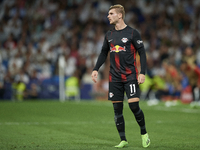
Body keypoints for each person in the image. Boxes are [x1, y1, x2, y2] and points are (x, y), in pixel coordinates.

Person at [91, 4, 150, 148]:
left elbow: (142, 53)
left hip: (130, 76)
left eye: (111, 13)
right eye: (108, 14)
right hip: (114, 77)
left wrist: (142, 72)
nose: (108, 16)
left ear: (120, 15)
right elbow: (103, 53)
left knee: (134, 106)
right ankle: (123, 140)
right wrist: (95, 69)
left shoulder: (132, 33)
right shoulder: (109, 35)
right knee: (117, 109)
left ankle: (144, 133)